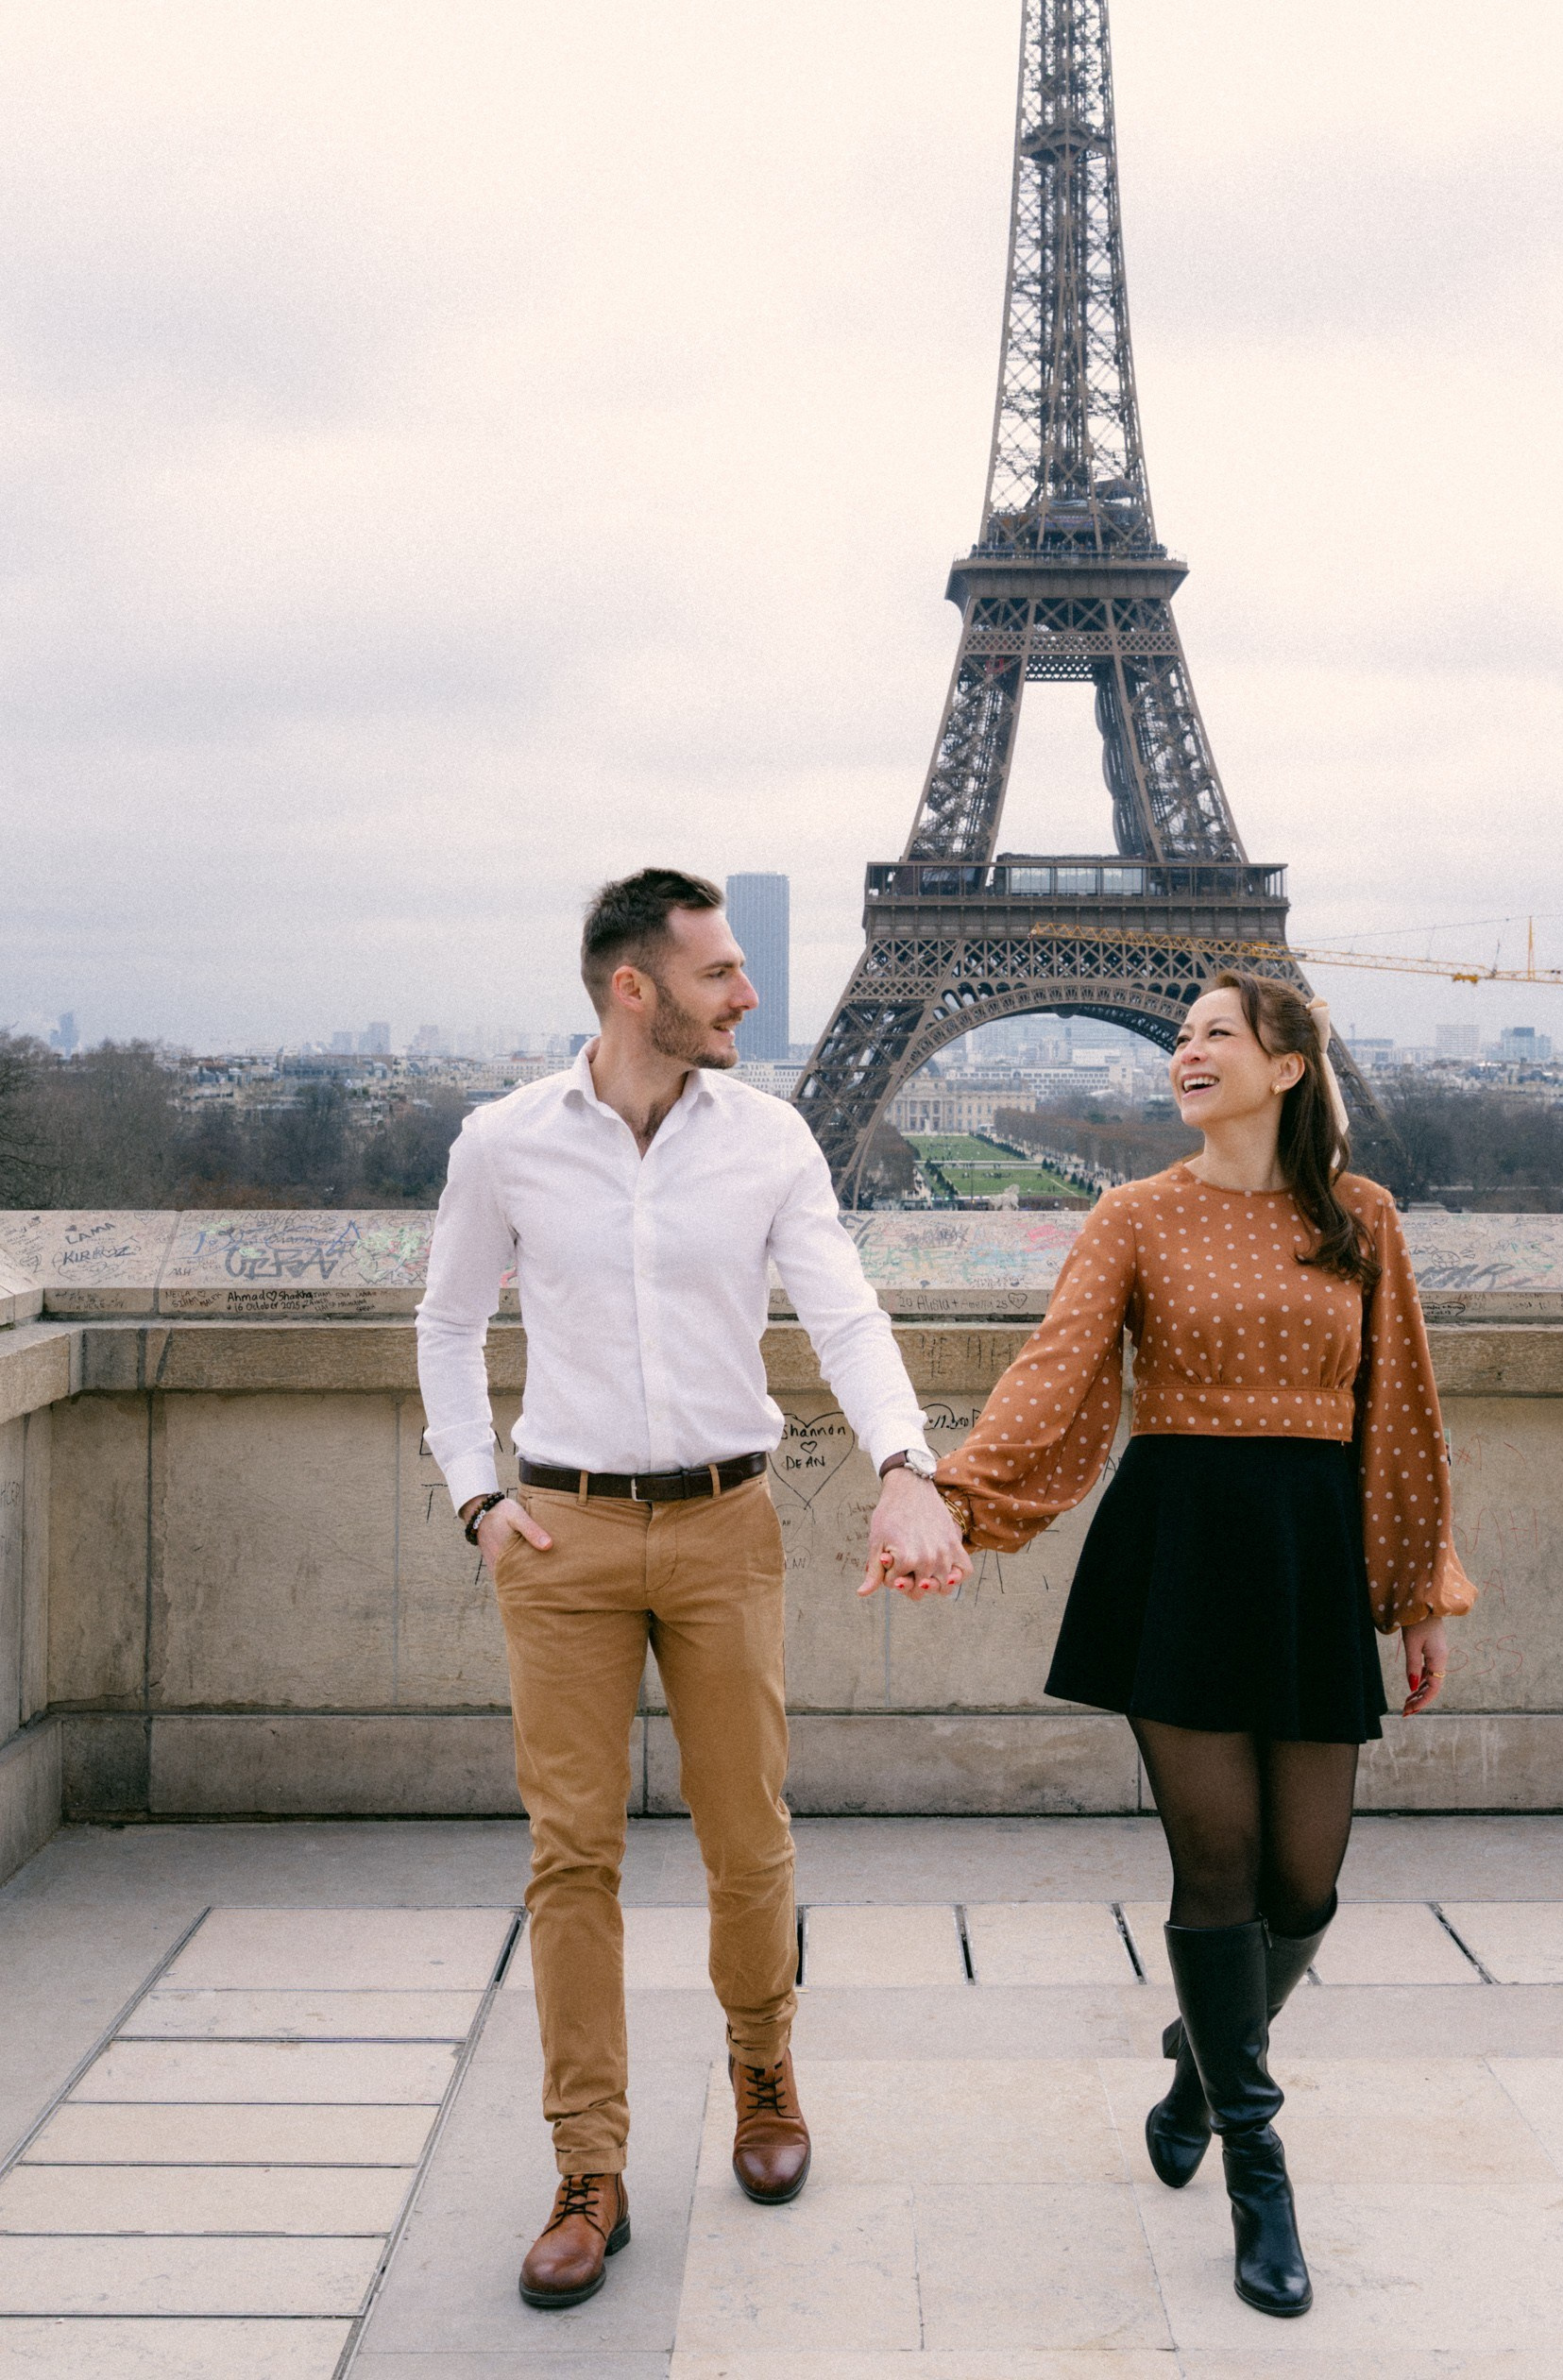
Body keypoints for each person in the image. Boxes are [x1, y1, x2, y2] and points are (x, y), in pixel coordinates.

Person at [416, 869, 967, 2310]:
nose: (750, 992)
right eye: (721, 972)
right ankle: (587, 2164)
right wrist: (478, 1494)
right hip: (566, 1536)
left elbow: (843, 1311)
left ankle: (762, 2064)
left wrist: (908, 1461)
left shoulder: (771, 1140)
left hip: (728, 1528)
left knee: (749, 1837)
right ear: (633, 989)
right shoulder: (506, 1144)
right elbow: (447, 1320)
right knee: (570, 1860)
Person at [930, 975, 1474, 2320]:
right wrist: (950, 1500)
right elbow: (1056, 1375)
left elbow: (1399, 1402)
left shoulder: (1362, 1222)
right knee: (1219, 1865)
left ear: (1288, 1066)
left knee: (1306, 1884)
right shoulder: (1135, 1214)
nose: (1185, 1052)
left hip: (1303, 1555)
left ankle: (1201, 2062)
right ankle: (1258, 2161)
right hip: (1177, 1549)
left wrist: (1413, 1587)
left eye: (1214, 1034)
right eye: (1178, 1037)